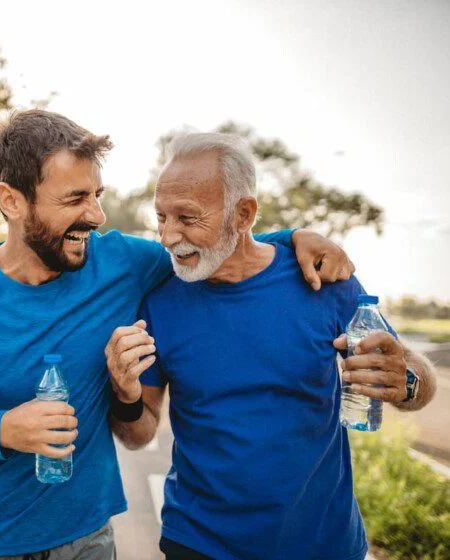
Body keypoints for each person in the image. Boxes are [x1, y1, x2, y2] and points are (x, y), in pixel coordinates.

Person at [0, 110, 355, 560]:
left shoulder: (122, 264)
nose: (96, 215)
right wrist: (3, 428)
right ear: (12, 201)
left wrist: (294, 237)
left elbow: (215, 244)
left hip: (86, 538)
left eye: (97, 194)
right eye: (75, 199)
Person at [105, 132, 437, 560]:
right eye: (161, 217)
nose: (169, 236)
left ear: (243, 214)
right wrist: (126, 396)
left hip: (325, 545)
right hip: (199, 544)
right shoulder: (159, 302)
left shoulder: (323, 280)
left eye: (187, 218)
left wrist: (406, 382)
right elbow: (140, 433)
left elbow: (416, 380)